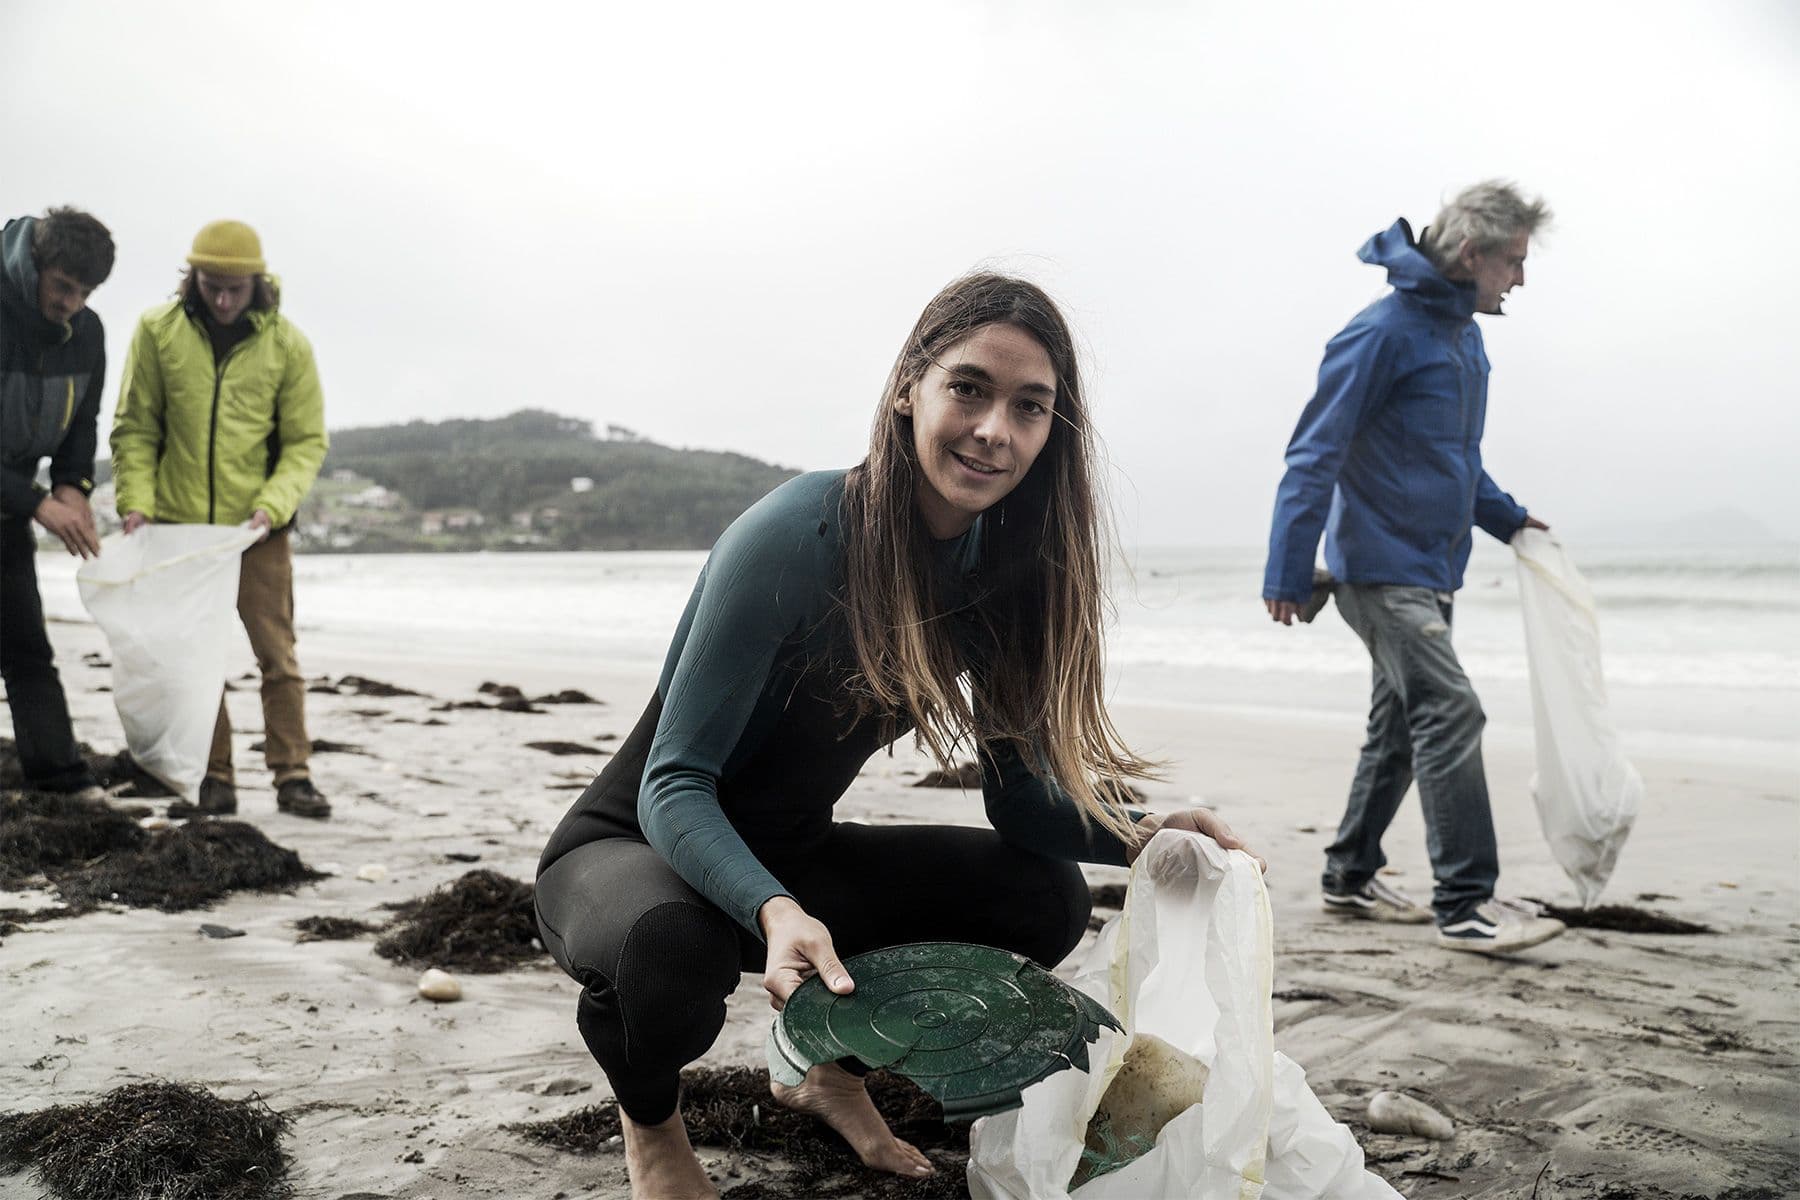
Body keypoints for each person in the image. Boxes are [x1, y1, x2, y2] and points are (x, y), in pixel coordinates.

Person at [536, 274, 1262, 1199]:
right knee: (672, 961)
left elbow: (1022, 801)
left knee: (1042, 898)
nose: (995, 429)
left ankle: (831, 1067)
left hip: (792, 862)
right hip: (633, 850)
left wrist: (1143, 833)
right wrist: (774, 910)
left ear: (1052, 431)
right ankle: (653, 1131)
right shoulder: (798, 533)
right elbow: (675, 782)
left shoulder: (1005, 573)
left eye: (1029, 407)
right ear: (907, 389)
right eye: (969, 389)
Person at [1261, 181, 1565, 955]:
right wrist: (1289, 568)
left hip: (1434, 566)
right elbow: (1313, 453)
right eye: (1514, 262)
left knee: (1398, 728)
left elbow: (1449, 456)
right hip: (1379, 568)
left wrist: (1505, 517)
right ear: (1472, 254)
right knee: (1452, 711)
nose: (1521, 280)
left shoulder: (1465, 336)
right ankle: (1465, 903)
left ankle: (1349, 874)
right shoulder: (1379, 334)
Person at [110, 220, 331, 819]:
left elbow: (305, 443)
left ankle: (293, 776)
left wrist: (274, 503)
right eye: (212, 286)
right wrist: (137, 501)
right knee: (193, 660)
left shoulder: (288, 344)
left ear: (256, 282)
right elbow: (135, 427)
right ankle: (214, 777)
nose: (224, 299)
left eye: (235, 287)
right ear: (194, 278)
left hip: (259, 531)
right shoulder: (156, 332)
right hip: (179, 534)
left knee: (277, 658)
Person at [0, 208, 114, 801]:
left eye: (85, 292)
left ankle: (61, 782)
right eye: (63, 286)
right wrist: (39, 502)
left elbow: (82, 423)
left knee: (26, 649)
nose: (72, 302)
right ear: (35, 265)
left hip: (7, 509)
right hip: (19, 498)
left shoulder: (88, 333)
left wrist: (73, 485)